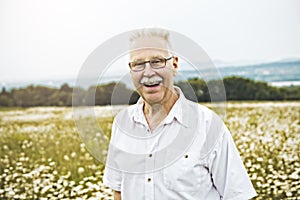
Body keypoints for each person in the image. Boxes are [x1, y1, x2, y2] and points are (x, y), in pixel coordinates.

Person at [103, 28, 257, 200]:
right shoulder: (122, 123)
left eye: (157, 61)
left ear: (174, 65)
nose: (148, 72)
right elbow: (118, 191)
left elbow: (237, 196)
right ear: (131, 70)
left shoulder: (209, 126)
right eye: (138, 64)